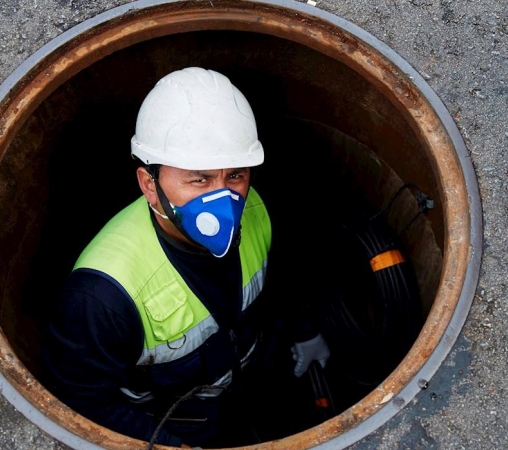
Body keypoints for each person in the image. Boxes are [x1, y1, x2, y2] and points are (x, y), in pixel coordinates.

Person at [42, 67, 330, 448]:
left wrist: (304, 329)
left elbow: (281, 280)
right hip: (173, 417)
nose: (224, 199)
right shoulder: (101, 297)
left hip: (251, 375)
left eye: (235, 175)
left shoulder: (257, 208)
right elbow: (83, 400)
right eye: (199, 179)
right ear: (150, 184)